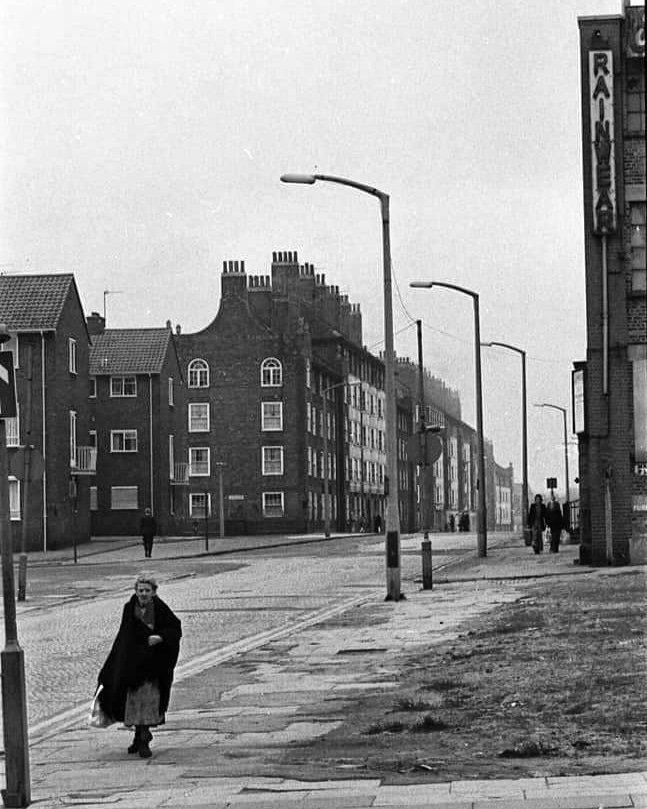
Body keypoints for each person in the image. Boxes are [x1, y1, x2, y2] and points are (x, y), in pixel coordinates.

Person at [96, 572, 182, 758]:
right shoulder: (129, 608)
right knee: (133, 704)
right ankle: (138, 735)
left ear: (154, 592)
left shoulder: (159, 608)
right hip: (133, 665)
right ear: (135, 591)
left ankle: (144, 739)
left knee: (147, 703)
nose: (143, 594)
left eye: (147, 590)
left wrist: (160, 637)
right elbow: (125, 635)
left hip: (152, 667)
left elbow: (174, 627)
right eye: (140, 590)